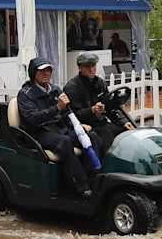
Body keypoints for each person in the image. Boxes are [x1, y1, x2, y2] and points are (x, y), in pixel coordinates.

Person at [18, 57, 101, 199]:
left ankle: (94, 178)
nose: (46, 74)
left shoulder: (55, 90)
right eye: (42, 71)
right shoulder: (25, 94)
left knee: (91, 136)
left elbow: (67, 112)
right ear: (33, 73)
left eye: (48, 70)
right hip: (40, 132)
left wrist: (77, 126)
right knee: (64, 142)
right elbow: (32, 119)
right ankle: (81, 186)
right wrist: (57, 108)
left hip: (59, 129)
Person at [63, 52, 134, 157]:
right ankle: (106, 168)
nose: (91, 69)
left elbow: (110, 106)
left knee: (127, 133)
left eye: (93, 65)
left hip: (101, 123)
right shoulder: (72, 87)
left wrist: (123, 122)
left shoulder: (100, 83)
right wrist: (91, 110)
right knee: (106, 134)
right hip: (85, 127)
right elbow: (73, 114)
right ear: (80, 68)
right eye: (87, 66)